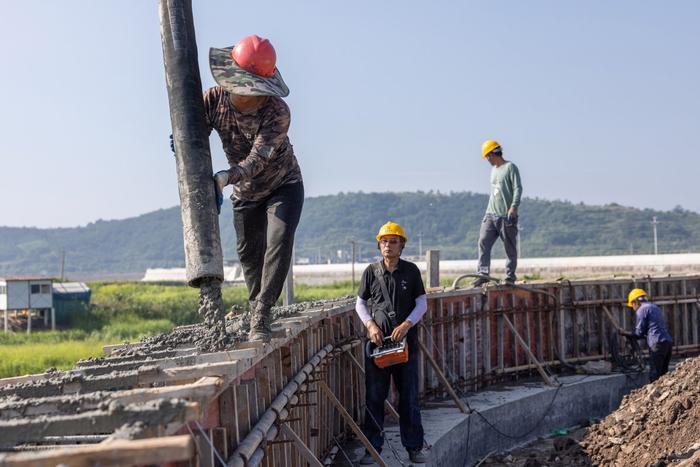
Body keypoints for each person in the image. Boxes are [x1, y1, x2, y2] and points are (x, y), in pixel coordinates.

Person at [206, 35, 303, 342]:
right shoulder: (214, 100)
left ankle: (262, 314)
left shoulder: (277, 112)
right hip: (245, 193)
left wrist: (225, 176)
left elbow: (257, 159)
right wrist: (185, 139)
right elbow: (195, 129)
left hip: (282, 184)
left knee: (279, 239)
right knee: (249, 253)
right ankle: (253, 305)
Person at [355, 221, 428, 464]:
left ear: (402, 245)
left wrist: (407, 324)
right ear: (379, 245)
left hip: (406, 346)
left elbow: (422, 304)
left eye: (393, 241)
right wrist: (371, 326)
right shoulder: (371, 272)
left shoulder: (411, 271)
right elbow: (360, 303)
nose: (388, 245)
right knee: (375, 397)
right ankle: (372, 448)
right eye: (384, 241)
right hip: (378, 347)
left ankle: (414, 447)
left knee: (408, 398)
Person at [472, 139, 522, 287]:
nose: (487, 160)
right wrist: (487, 213)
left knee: (509, 247)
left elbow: (518, 188)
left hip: (506, 216)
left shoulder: (510, 167)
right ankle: (483, 274)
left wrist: (513, 207)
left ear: (493, 154)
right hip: (491, 214)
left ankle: (510, 276)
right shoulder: (493, 170)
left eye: (488, 156)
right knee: (483, 242)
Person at [619, 288, 673, 382]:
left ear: (635, 302)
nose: (633, 308)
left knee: (655, 375)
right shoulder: (654, 307)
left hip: (657, 344)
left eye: (632, 305)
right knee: (664, 375)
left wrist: (625, 333)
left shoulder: (642, 310)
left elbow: (638, 333)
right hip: (667, 343)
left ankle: (654, 396)